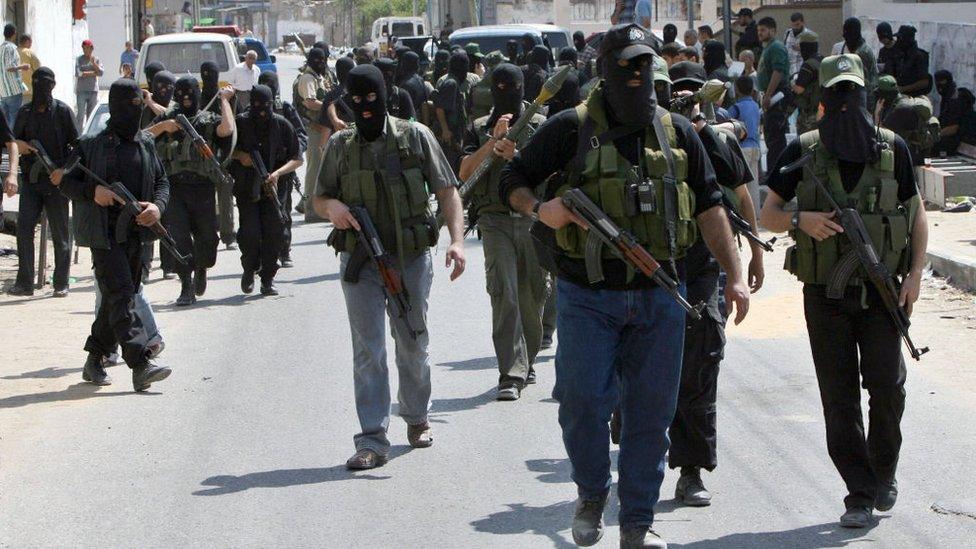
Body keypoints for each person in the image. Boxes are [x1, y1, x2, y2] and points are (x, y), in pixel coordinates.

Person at [499, 24, 749, 548]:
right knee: (583, 401)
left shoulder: (679, 132)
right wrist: (542, 209)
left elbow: (709, 206)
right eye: (626, 67)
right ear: (606, 71)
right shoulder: (570, 127)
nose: (637, 77)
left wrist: (737, 276)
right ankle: (592, 492)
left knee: (651, 415)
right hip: (587, 296)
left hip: (662, 294)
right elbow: (513, 180)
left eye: (645, 66)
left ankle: (636, 522)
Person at [761, 53, 928, 530]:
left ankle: (883, 471)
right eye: (837, 97)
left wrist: (915, 274)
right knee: (839, 397)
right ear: (822, 104)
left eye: (853, 95)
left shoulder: (894, 149)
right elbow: (765, 214)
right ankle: (858, 491)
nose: (846, 105)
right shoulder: (804, 150)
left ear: (868, 98)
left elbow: (916, 217)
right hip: (826, 297)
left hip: (883, 293)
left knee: (888, 388)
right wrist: (800, 220)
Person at [313, 64, 466, 470]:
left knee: (413, 340)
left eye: (372, 99)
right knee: (368, 350)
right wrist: (334, 209)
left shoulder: (416, 136)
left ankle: (417, 417)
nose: (365, 108)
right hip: (360, 262)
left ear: (386, 96)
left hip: (411, 258)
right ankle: (372, 438)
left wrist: (457, 241)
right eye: (357, 101)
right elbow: (319, 199)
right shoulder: (341, 146)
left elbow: (448, 190)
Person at [667, 60, 765, 507]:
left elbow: (739, 191)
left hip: (703, 263)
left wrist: (752, 259)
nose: (685, 102)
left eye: (692, 95)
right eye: (678, 95)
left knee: (702, 353)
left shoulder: (714, 137)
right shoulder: (641, 133)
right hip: (644, 266)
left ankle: (691, 470)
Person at [59, 79, 173, 391]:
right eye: (131, 105)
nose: (136, 111)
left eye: (141, 104)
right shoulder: (92, 143)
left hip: (137, 233)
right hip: (104, 234)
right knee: (123, 294)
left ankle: (95, 357)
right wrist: (93, 191)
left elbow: (163, 181)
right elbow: (64, 181)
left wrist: (158, 208)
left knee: (117, 299)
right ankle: (140, 364)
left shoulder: (146, 143)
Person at [459, 63, 548, 401]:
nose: (504, 92)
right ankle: (510, 372)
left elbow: (551, 174)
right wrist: (492, 142)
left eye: (510, 86)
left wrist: (518, 155)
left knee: (532, 296)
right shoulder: (479, 127)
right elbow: (465, 171)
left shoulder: (540, 124)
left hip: (532, 220)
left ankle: (528, 359)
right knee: (504, 294)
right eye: (497, 86)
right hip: (494, 221)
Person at [145, 78, 235, 306]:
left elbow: (227, 130)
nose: (186, 97)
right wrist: (164, 127)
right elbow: (142, 137)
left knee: (207, 237)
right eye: (181, 92)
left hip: (202, 187)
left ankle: (202, 267)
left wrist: (224, 101)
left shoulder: (207, 120)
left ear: (198, 93)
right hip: (174, 188)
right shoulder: (169, 118)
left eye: (190, 92)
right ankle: (186, 283)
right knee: (179, 237)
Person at [8, 67, 77, 297]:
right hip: (31, 181)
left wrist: (63, 171)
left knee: (61, 234)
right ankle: (25, 282)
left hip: (56, 183)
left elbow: (78, 149)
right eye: (37, 84)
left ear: (52, 86)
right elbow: (11, 141)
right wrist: (22, 146)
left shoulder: (63, 112)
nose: (41, 89)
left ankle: (61, 283)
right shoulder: (25, 112)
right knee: (24, 229)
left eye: (45, 84)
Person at [228, 84, 303, 295]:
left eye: (266, 106)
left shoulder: (282, 125)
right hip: (246, 188)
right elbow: (224, 151)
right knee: (249, 234)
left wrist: (277, 173)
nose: (261, 110)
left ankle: (268, 278)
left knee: (274, 233)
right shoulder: (241, 123)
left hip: (275, 189)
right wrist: (240, 157)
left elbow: (297, 159)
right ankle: (249, 269)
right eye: (257, 105)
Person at [259, 70, 307, 268]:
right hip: (260, 170)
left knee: (283, 212)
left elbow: (301, 135)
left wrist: (293, 153)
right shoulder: (252, 109)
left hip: (283, 169)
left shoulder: (285, 109)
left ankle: (284, 250)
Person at [293, 47, 336, 222]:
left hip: (323, 128)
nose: (322, 63)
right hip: (314, 129)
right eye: (318, 60)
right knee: (314, 170)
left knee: (323, 169)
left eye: (323, 60)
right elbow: (310, 103)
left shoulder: (320, 76)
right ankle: (310, 210)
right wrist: (331, 106)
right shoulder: (307, 78)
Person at [756, 17, 791, 177]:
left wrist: (768, 95)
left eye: (763, 30)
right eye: (759, 30)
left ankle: (776, 174)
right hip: (770, 96)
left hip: (777, 97)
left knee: (776, 138)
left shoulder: (776, 47)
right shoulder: (767, 48)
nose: (760, 33)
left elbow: (778, 72)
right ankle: (773, 172)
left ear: (773, 30)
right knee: (771, 137)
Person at [434, 51, 476, 172]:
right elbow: (440, 108)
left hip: (454, 132)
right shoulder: (451, 83)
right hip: (449, 135)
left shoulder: (453, 82)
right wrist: (446, 130)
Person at [728, 76, 762, 213]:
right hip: (755, 147)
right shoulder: (755, 105)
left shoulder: (736, 107)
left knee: (742, 185)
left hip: (743, 148)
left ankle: (743, 214)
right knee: (754, 184)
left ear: (737, 90)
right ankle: (756, 214)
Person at [835, 18, 878, 108]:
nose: (845, 38)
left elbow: (861, 82)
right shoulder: (861, 49)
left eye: (846, 34)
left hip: (865, 101)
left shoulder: (862, 53)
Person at [792, 31, 822, 135]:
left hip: (809, 117)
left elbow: (799, 89)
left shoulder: (808, 65)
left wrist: (791, 84)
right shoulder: (823, 61)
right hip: (823, 114)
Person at [934, 70, 966, 157]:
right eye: (937, 82)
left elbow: (954, 128)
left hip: (957, 138)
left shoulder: (955, 99)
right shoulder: (947, 97)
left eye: (942, 81)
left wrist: (935, 136)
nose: (939, 85)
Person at [0, 24, 27, 128]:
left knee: (5, 120)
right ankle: (13, 142)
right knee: (14, 119)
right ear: (14, 34)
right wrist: (22, 66)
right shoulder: (11, 48)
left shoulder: (1, 48)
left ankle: (5, 143)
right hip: (13, 90)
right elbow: (9, 67)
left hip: (3, 91)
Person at [893, 26, 931, 98]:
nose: (898, 42)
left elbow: (924, 82)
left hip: (914, 99)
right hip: (902, 97)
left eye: (900, 39)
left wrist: (903, 89)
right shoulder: (901, 55)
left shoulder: (919, 56)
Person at [74, 39, 103, 132]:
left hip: (93, 90)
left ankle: (90, 134)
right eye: (84, 48)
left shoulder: (96, 59)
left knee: (91, 115)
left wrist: (94, 64)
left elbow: (101, 72)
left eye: (87, 48)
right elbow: (79, 73)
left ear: (91, 48)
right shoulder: (79, 59)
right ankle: (78, 134)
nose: (85, 50)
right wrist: (94, 73)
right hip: (81, 90)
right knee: (81, 115)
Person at [396, 51, 429, 119]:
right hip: (419, 118)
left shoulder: (406, 85)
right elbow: (424, 103)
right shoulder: (420, 79)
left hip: (411, 120)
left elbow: (408, 109)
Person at [17, 35, 39, 103]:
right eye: (30, 42)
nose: (31, 45)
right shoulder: (29, 53)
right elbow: (39, 71)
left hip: (14, 91)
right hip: (28, 91)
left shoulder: (14, 52)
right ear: (27, 41)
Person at [784, 12, 807, 77]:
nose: (795, 27)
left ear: (803, 22)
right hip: (788, 69)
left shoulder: (808, 35)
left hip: (800, 70)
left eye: (797, 24)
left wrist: (802, 48)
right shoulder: (788, 32)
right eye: (793, 25)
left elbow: (813, 54)